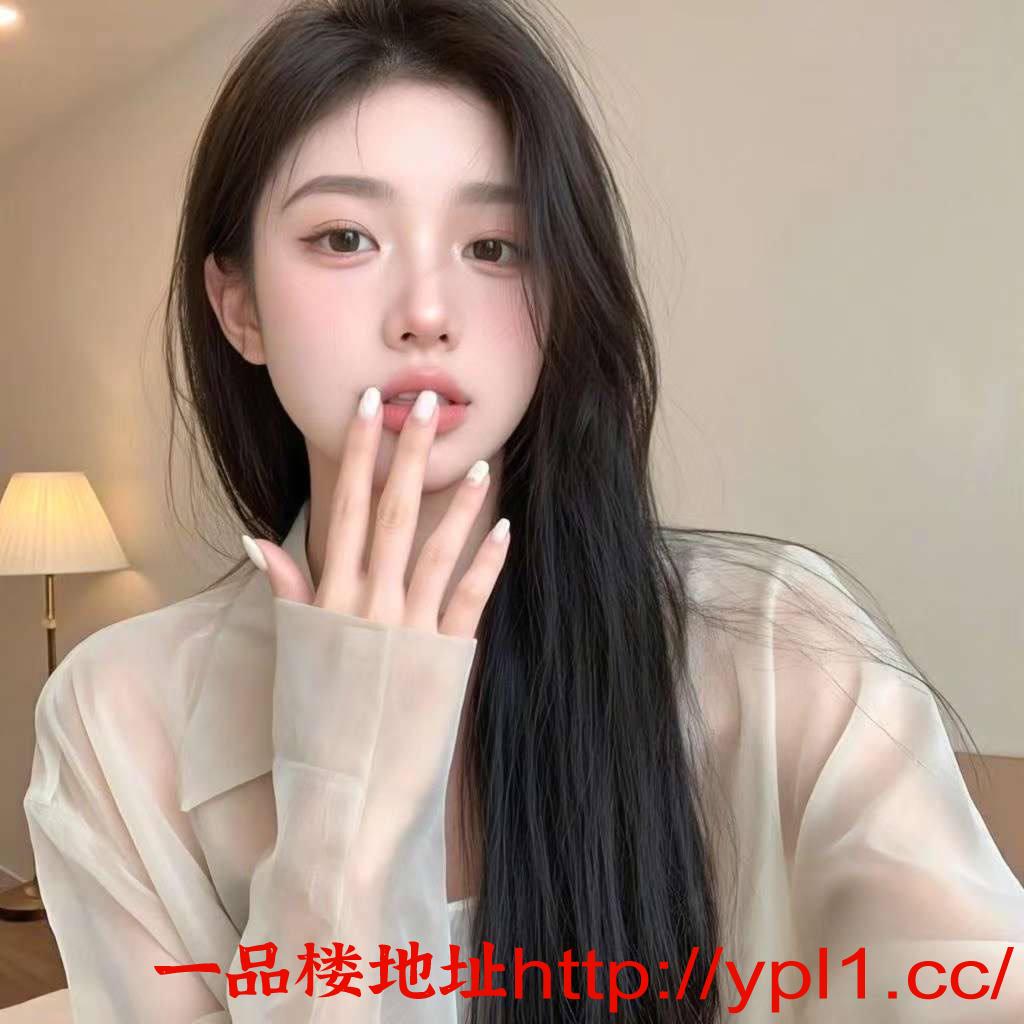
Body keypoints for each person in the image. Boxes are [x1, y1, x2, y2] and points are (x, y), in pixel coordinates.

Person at [22, 0, 1024, 1021]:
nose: (426, 313)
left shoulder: (772, 643)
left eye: (495, 247)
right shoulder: (116, 718)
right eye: (344, 237)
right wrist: (344, 803)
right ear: (238, 305)